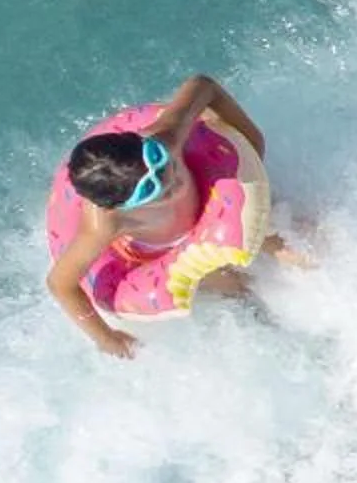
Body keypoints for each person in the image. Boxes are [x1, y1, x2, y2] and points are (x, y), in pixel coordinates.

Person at [44, 73, 300, 358]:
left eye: (162, 165)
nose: (171, 181)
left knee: (294, 240)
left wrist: (251, 143)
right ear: (120, 206)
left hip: (216, 199)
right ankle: (286, 341)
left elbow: (203, 85)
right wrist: (106, 338)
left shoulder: (166, 137)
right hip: (170, 248)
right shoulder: (105, 222)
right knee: (236, 288)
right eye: (154, 190)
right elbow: (61, 284)